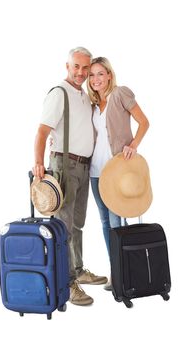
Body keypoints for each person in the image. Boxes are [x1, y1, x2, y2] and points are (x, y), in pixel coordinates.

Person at [32, 47, 107, 306]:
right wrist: (39, 164)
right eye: (77, 67)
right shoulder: (59, 93)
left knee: (77, 224)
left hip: (83, 167)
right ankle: (66, 282)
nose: (81, 73)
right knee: (63, 227)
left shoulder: (83, 96)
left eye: (86, 68)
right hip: (64, 165)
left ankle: (77, 270)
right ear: (68, 66)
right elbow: (42, 131)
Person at [87, 57, 150, 291]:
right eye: (92, 75)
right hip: (95, 171)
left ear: (109, 75)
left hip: (116, 171)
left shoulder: (120, 94)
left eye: (100, 74)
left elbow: (144, 122)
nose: (96, 79)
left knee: (117, 223)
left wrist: (133, 145)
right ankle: (116, 271)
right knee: (105, 222)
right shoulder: (92, 104)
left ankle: (124, 272)